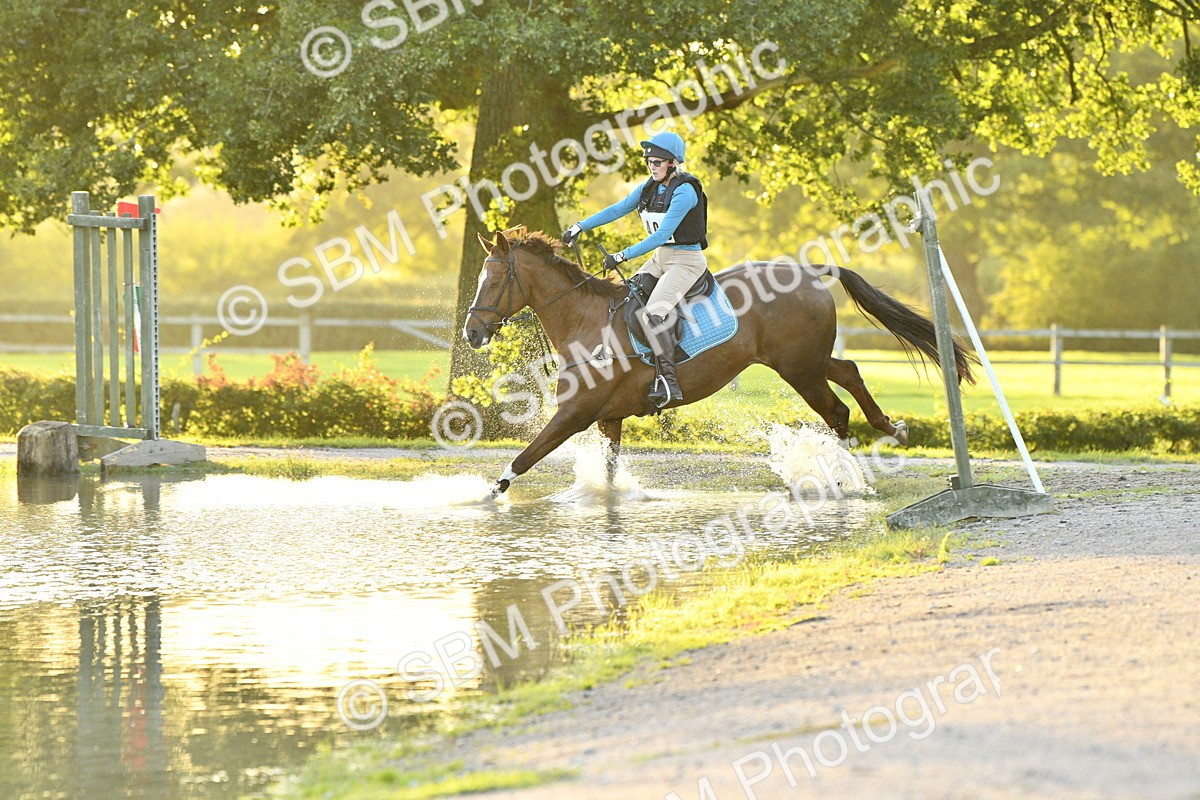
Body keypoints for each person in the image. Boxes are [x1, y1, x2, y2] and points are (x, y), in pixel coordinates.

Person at [561, 130, 709, 408]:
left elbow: (661, 234)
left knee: (653, 314)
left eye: (657, 162)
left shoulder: (686, 191)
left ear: (673, 164)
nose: (651, 167)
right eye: (649, 162)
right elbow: (618, 209)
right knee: (625, 302)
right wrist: (579, 226)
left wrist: (622, 255)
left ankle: (668, 381)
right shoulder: (651, 188)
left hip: (686, 262)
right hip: (661, 258)